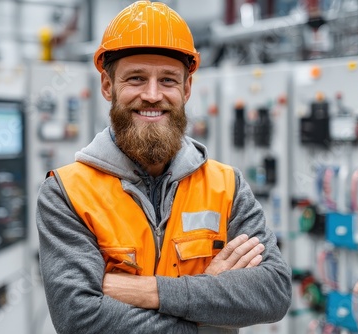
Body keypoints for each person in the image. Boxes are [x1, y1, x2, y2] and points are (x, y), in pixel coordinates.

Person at [36, 1, 292, 333]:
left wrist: (150, 291)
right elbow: (80, 320)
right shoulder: (66, 193)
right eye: (136, 78)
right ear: (107, 86)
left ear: (186, 89)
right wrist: (207, 310)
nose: (153, 95)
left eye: (168, 80)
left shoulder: (226, 185)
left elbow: (272, 293)